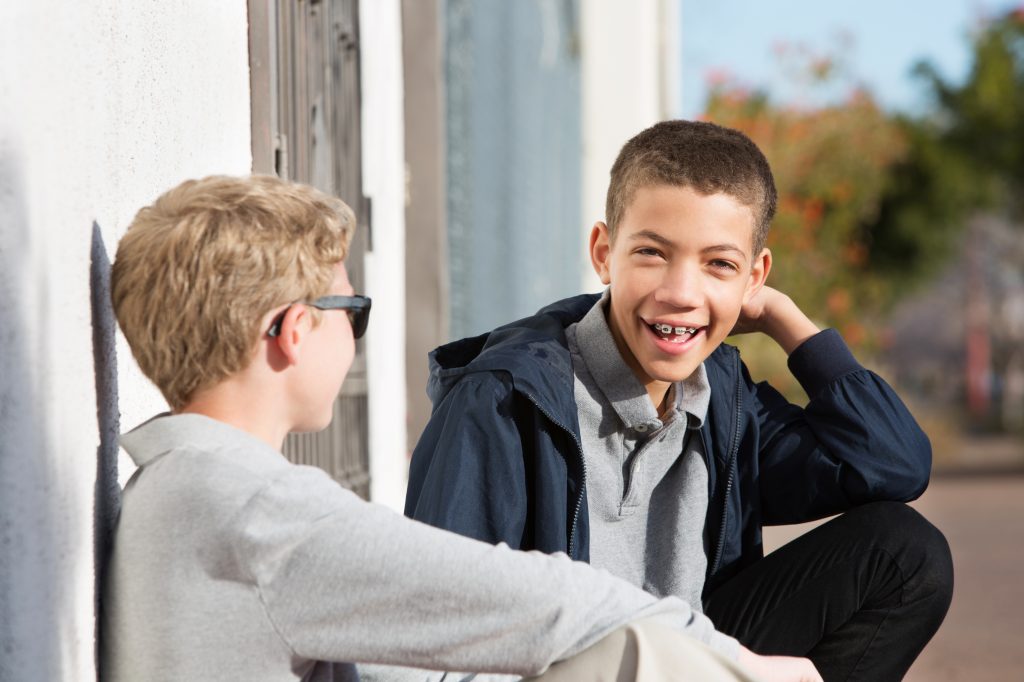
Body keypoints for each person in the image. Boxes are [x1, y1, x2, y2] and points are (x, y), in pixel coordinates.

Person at [101, 174, 813, 682]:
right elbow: (545, 599)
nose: (354, 332)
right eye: (353, 308)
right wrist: (739, 663)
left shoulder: (183, 487)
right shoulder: (259, 513)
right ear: (293, 331)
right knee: (624, 654)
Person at [405, 120, 954, 681]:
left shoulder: (723, 398)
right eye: (652, 253)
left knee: (906, 554)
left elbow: (892, 464)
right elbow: (430, 637)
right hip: (566, 670)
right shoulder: (505, 400)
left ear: (754, 278)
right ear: (603, 252)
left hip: (698, 658)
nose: (681, 293)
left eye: (720, 264)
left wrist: (788, 324)